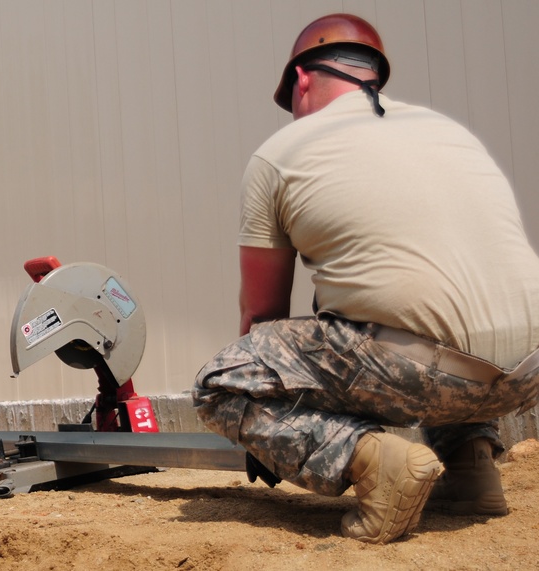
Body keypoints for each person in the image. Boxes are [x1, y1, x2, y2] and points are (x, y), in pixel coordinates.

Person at [192, 13, 539, 544]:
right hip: (528, 371)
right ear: (374, 76)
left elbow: (262, 314)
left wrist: (275, 433)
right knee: (425, 304)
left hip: (422, 371)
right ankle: (473, 471)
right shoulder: (448, 132)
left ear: (301, 81)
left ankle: (374, 462)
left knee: (223, 382)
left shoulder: (279, 155)